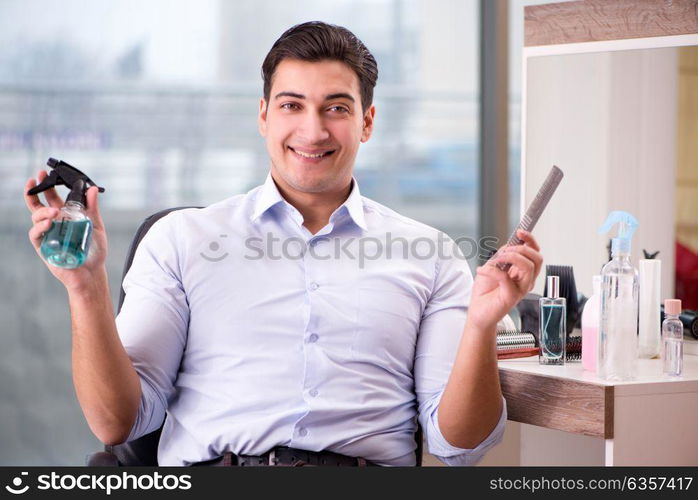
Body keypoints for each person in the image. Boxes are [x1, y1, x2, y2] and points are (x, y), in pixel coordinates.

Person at [24, 21, 542, 466]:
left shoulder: (429, 255)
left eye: (336, 108)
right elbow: (119, 423)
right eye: (292, 105)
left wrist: (481, 325)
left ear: (367, 121)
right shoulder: (181, 239)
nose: (312, 131)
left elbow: (459, 444)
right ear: (264, 116)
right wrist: (86, 286)